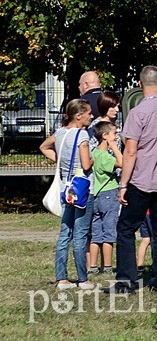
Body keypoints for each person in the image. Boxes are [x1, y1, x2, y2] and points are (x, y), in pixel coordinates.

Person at [112, 65, 157, 293]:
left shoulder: (138, 113)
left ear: (140, 85)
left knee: (126, 229)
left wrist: (123, 184)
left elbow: (131, 151)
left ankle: (126, 281)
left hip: (141, 180)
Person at [39, 98, 95, 290]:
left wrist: (60, 161)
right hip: (82, 189)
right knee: (80, 234)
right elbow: (86, 164)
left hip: (66, 188)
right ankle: (82, 278)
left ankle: (61, 278)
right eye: (88, 113)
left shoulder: (61, 133)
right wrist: (96, 157)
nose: (91, 116)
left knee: (65, 233)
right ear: (78, 116)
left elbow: (43, 147)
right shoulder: (83, 136)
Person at [88, 120, 122, 274]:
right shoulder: (104, 156)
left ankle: (93, 266)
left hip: (96, 195)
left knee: (96, 232)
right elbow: (122, 163)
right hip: (109, 194)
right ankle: (107, 265)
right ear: (105, 136)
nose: (116, 137)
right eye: (114, 134)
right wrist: (114, 147)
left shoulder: (94, 153)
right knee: (109, 231)